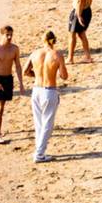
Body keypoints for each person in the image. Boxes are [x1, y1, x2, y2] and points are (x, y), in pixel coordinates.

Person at [25, 30, 66, 160]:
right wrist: (53, 73)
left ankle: (39, 150)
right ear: (54, 41)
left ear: (43, 40)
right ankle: (39, 154)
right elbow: (64, 76)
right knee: (48, 124)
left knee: (38, 123)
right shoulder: (57, 54)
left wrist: (37, 75)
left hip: (36, 90)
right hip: (49, 90)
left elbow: (25, 71)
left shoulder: (35, 53)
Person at [0, 25, 24, 144]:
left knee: (1, 106)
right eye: (7, 35)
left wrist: (21, 83)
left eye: (11, 35)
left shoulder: (14, 49)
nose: (9, 37)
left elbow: (18, 66)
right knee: (0, 107)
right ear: (2, 34)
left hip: (8, 79)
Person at [68, 0, 96, 65]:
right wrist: (87, 8)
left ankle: (70, 58)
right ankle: (88, 57)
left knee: (72, 34)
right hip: (88, 9)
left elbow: (79, 0)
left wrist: (79, 15)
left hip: (79, 11)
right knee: (81, 33)